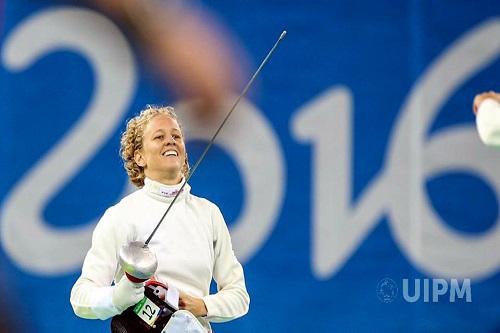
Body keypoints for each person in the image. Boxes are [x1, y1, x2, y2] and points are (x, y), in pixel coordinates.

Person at [70, 105, 250, 332]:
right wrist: (117, 297)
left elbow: (239, 296)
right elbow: (80, 297)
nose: (171, 141)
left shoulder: (208, 214)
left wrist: (202, 304)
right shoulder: (121, 216)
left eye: (176, 136)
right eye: (159, 136)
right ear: (140, 156)